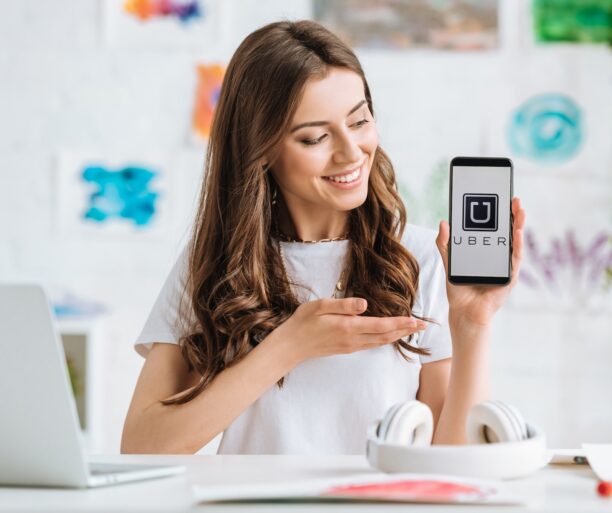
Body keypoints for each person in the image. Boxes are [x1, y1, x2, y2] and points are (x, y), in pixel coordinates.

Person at [121, 20, 526, 455]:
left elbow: (455, 464)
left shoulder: (422, 259)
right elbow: (143, 445)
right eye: (315, 137)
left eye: (359, 121)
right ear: (261, 149)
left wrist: (472, 326)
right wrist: (287, 347)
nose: (351, 152)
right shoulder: (217, 264)